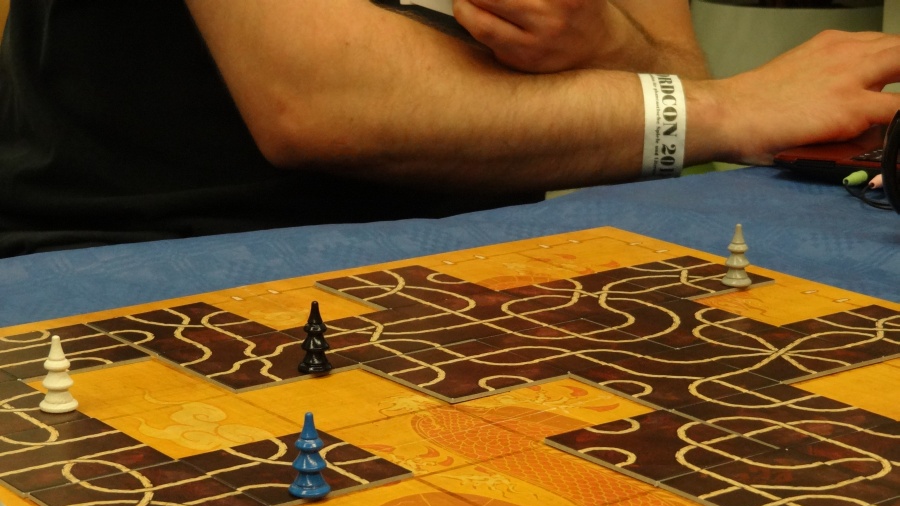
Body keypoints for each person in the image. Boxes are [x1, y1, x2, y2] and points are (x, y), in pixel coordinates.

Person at [0, 0, 899, 257]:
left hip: (467, 265)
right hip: (136, 263)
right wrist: (732, 110)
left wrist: (602, 40)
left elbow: (670, 63)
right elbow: (316, 103)